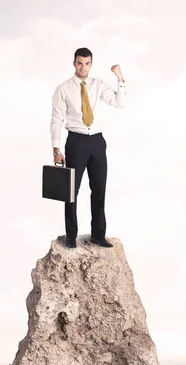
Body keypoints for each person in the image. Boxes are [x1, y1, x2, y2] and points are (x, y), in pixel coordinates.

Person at [50, 47, 126, 248]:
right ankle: (71, 236)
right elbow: (56, 120)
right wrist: (56, 150)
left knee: (99, 188)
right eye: (79, 63)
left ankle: (98, 235)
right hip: (75, 142)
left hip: (97, 143)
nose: (83, 67)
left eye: (87, 63)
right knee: (71, 191)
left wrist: (119, 78)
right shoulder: (63, 89)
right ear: (74, 63)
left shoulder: (99, 85)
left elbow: (120, 102)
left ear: (91, 64)